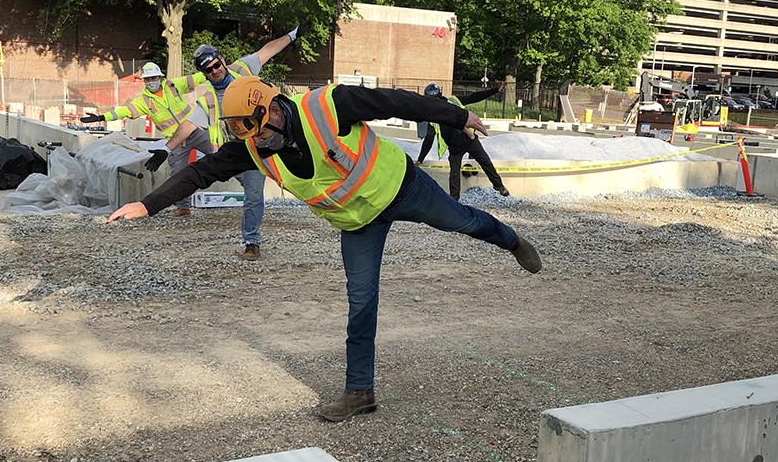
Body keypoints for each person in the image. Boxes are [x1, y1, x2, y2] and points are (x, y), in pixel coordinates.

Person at [108, 78, 542, 422]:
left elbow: (397, 102)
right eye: (247, 136)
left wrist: (458, 114)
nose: (256, 143)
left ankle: (512, 240)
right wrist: (147, 205)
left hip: (402, 188)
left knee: (465, 221)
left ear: (274, 108)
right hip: (358, 224)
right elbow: (200, 173)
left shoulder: (329, 107)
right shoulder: (251, 146)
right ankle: (360, 392)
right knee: (361, 303)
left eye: (258, 131)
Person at [143, 25, 306, 238]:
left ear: (222, 59)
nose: (215, 71)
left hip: (277, 135)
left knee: (299, 173)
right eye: (208, 70)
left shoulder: (242, 68)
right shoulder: (210, 99)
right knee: (253, 194)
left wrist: (292, 35)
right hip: (247, 149)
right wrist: (167, 148)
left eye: (216, 65)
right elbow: (188, 124)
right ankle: (251, 241)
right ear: (204, 74)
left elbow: (267, 51)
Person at [80, 61, 205, 216]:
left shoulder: (174, 86)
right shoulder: (144, 101)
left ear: (160, 77)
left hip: (195, 130)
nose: (151, 82)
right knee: (178, 174)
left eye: (154, 78)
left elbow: (200, 77)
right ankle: (183, 208)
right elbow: (124, 111)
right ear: (144, 81)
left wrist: (218, 72)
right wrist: (102, 116)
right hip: (175, 141)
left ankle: (243, 180)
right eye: (148, 79)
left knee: (221, 153)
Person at [416, 83, 511, 200]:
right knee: (468, 168)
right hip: (461, 144)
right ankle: (457, 199)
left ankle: (496, 186)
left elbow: (474, 97)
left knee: (474, 166)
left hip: (466, 141)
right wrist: (421, 158)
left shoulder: (451, 102)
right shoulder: (438, 112)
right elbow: (429, 139)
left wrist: (495, 90)